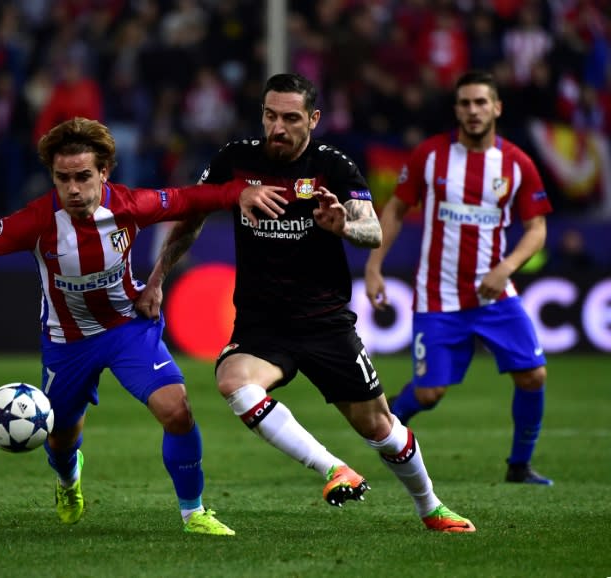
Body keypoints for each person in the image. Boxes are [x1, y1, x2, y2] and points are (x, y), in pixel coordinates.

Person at [0, 116, 286, 535]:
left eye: (82, 176)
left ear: (104, 172)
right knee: (59, 438)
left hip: (128, 327)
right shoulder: (37, 222)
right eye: (63, 179)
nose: (73, 189)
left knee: (177, 410)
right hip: (68, 342)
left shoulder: (131, 205)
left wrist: (240, 191)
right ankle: (68, 478)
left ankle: (194, 513)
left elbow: (191, 199)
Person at [138, 73, 475, 532]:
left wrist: (343, 227)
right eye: (270, 116)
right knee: (234, 381)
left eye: (291, 118)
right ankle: (333, 468)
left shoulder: (334, 167)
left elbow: (372, 230)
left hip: (325, 322)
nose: (278, 127)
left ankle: (431, 506)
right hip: (262, 324)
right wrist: (157, 278)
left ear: (313, 119)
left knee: (380, 427)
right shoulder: (235, 160)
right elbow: (190, 219)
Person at [364, 70, 554, 485]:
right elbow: (395, 209)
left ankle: (519, 466)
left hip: (496, 295)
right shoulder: (430, 156)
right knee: (430, 393)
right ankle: (392, 419)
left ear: (497, 108)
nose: (473, 111)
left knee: (533, 375)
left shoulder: (517, 163)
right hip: (438, 296)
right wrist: (374, 266)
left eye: (481, 102)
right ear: (456, 109)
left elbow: (537, 228)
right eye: (465, 103)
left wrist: (505, 268)